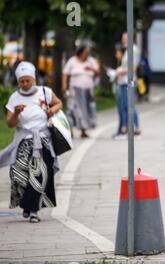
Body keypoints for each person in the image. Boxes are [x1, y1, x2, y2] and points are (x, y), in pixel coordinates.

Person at [0, 61, 63, 223]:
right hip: (23, 141)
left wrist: (52, 110)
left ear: (34, 79)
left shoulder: (45, 92)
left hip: (42, 141)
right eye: (22, 81)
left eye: (28, 80)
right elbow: (10, 123)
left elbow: (59, 103)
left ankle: (34, 211)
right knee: (18, 176)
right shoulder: (14, 97)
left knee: (39, 175)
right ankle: (27, 205)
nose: (25, 84)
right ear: (18, 81)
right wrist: (16, 113)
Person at [62, 45, 99, 139]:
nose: (87, 55)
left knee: (85, 110)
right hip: (75, 89)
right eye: (85, 53)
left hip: (87, 90)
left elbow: (98, 72)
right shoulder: (72, 61)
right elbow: (65, 74)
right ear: (80, 52)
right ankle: (70, 131)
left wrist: (92, 69)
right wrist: (64, 86)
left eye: (88, 53)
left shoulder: (91, 61)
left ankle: (83, 131)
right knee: (72, 109)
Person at [114, 32, 141, 139]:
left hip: (130, 81)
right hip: (124, 81)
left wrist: (118, 72)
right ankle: (126, 128)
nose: (123, 40)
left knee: (128, 105)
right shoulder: (127, 50)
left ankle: (134, 128)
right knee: (124, 105)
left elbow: (133, 68)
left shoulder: (133, 50)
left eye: (124, 38)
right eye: (122, 38)